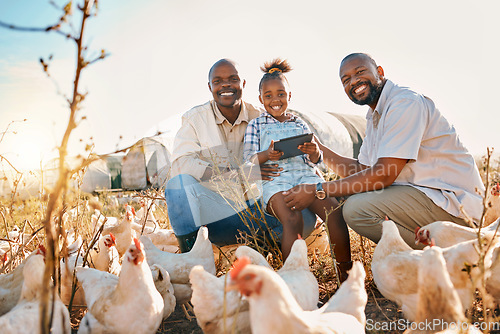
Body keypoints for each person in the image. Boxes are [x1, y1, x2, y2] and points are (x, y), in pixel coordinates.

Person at [282, 53, 484, 248]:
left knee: (357, 209)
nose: (354, 81)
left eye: (360, 72)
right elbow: (362, 170)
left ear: (379, 71)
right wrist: (320, 149)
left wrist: (318, 190)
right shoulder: (375, 115)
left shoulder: (404, 103)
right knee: (354, 196)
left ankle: (452, 254)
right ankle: (431, 255)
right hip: (428, 199)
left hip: (455, 207)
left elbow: (384, 175)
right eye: (346, 80)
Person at [164, 59, 317, 252]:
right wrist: (237, 175)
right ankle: (192, 257)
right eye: (218, 81)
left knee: (306, 216)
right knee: (177, 185)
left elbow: (291, 159)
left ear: (243, 83)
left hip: (256, 211)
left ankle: (262, 250)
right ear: (210, 86)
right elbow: (180, 164)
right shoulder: (196, 119)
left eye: (233, 79)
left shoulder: (263, 118)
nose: (226, 85)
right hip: (214, 217)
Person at [243, 58, 351, 269]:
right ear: (260, 99)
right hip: (277, 181)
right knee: (292, 220)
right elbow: (249, 160)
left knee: (334, 214)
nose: (276, 99)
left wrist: (314, 152)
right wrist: (267, 154)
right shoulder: (255, 125)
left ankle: (345, 275)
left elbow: (314, 160)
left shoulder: (299, 123)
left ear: (289, 96)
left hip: (306, 177)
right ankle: (293, 280)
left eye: (281, 94)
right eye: (269, 95)